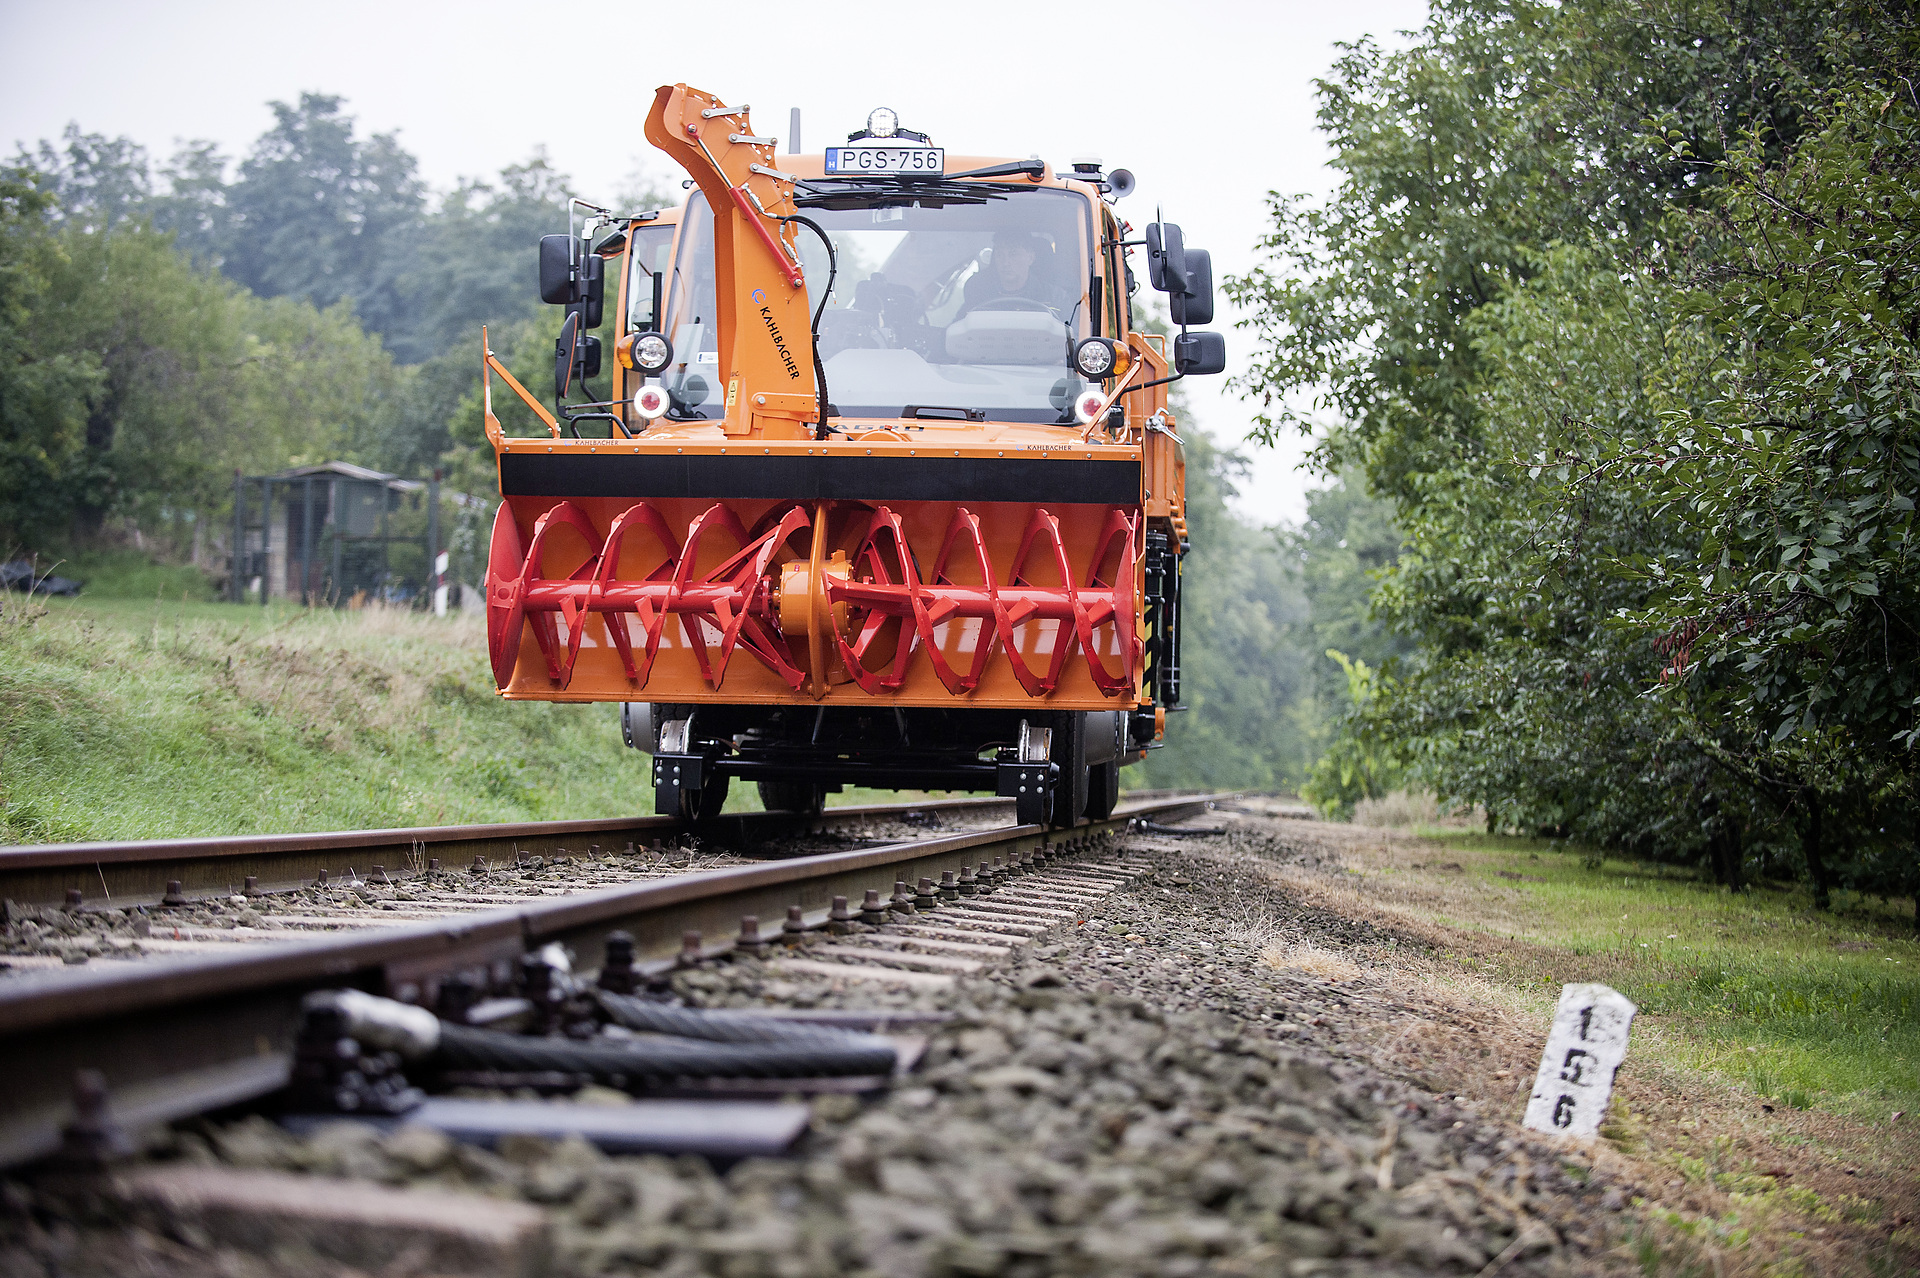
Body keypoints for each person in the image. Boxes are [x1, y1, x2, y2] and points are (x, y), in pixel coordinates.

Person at [959, 229, 1069, 315]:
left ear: (1030, 258)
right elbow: (955, 334)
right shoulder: (978, 295)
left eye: (1013, 254)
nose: (1005, 262)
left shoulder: (1055, 297)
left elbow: (1074, 338)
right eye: (1000, 255)